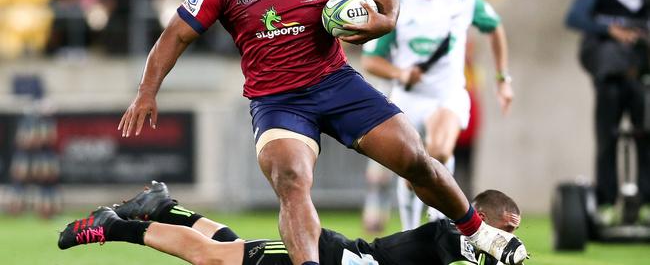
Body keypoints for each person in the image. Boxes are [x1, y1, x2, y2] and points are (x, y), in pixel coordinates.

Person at [117, 0, 527, 264]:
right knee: (292, 181)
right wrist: (146, 92)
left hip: (337, 84)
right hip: (278, 102)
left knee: (415, 158)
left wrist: (385, 21)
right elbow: (175, 34)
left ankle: (476, 233)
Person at [361, 0, 513, 231]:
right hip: (407, 98)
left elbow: (494, 28)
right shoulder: (396, 3)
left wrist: (503, 79)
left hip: (448, 94)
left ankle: (438, 218)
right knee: (410, 170)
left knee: (439, 151)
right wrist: (401, 72)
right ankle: (410, 229)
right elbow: (371, 61)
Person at [58, 181, 524, 265]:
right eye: (507, 226)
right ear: (481, 218)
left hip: (338, 256)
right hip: (331, 258)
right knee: (214, 260)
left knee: (231, 249)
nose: (510, 236)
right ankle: (111, 225)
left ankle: (164, 208)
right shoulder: (453, 232)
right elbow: (482, 251)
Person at [566, 0, 650, 226]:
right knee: (607, 138)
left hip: (640, 71)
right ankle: (604, 202)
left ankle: (644, 200)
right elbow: (576, 17)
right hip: (608, 70)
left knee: (646, 135)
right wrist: (611, 29)